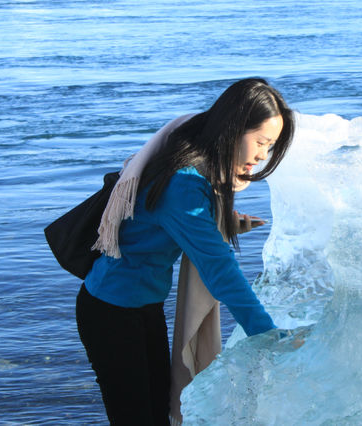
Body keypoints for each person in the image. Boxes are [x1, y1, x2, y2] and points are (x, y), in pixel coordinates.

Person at [75, 78, 295, 425]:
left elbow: (160, 220)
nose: (262, 156)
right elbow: (220, 271)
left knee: (156, 414)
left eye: (270, 147)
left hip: (140, 306)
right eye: (262, 142)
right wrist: (267, 335)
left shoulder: (190, 150)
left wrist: (225, 223)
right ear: (235, 127)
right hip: (112, 312)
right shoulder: (184, 183)